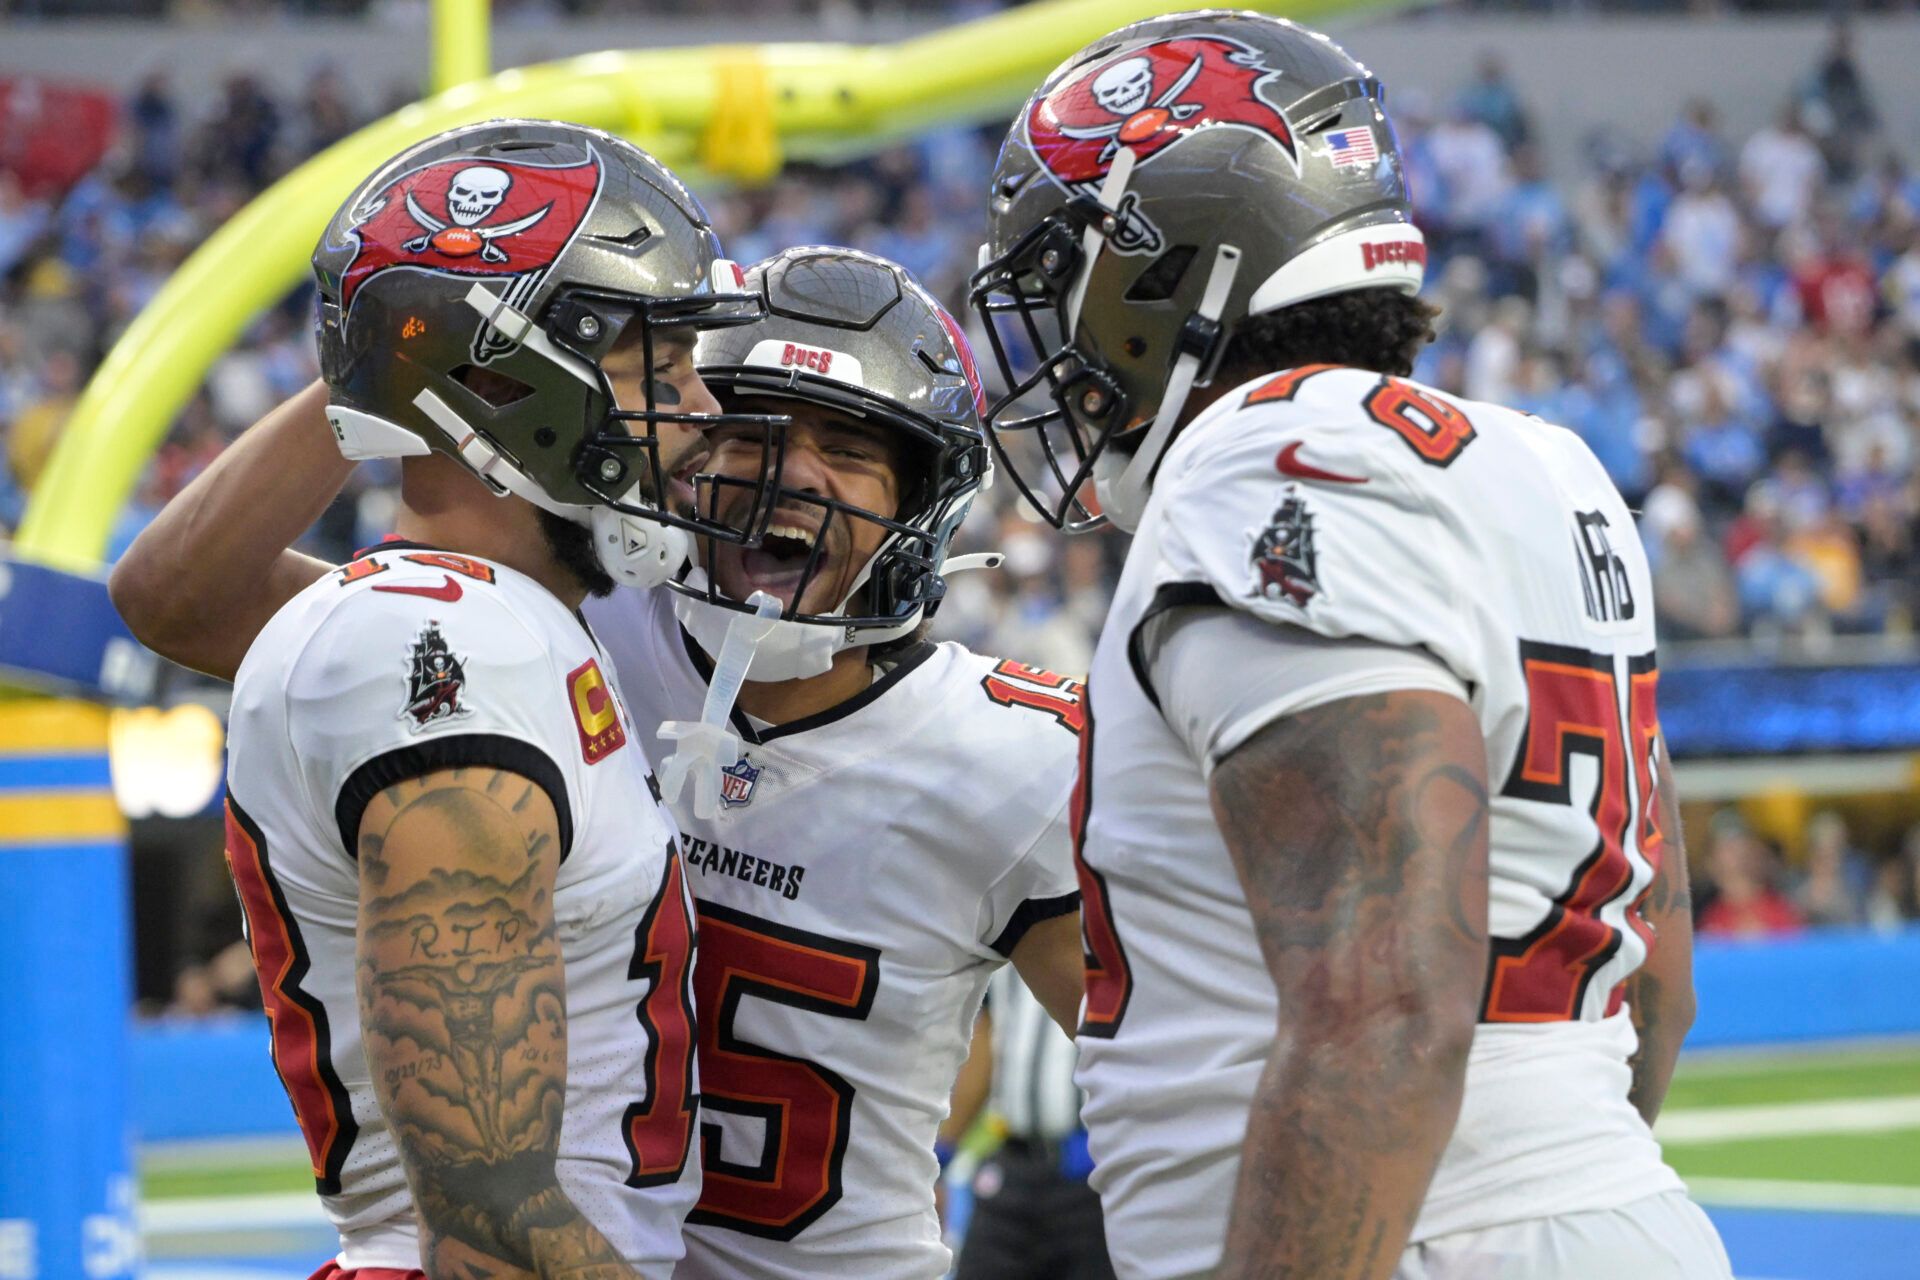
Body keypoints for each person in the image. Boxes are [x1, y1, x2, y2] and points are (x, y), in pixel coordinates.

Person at [113, 244, 1087, 1280]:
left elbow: (1172, 1084)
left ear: (921, 501)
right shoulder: (545, 625)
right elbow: (185, 600)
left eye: (849, 447)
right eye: (751, 430)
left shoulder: (1016, 754)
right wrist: (411, 340)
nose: (794, 473)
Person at [967, 12, 1727, 1280]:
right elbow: (1660, 981)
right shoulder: (1550, 465)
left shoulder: (1264, 459)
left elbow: (1385, 1009)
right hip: (1581, 1214)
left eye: (1070, 287)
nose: (1060, 343)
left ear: (1175, 270)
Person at [118, 119, 789, 1279]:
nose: (697, 412)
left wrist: (412, 344)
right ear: (512, 378)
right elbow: (487, 1213)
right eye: (660, 366)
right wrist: (417, 348)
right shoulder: (445, 645)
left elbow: (176, 595)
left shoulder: (490, 623)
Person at [951, 968, 1116, 1280]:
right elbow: (986, 1036)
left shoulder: (1120, 942)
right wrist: (944, 1147)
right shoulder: (1002, 949)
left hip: (1094, 1173)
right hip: (1013, 1159)